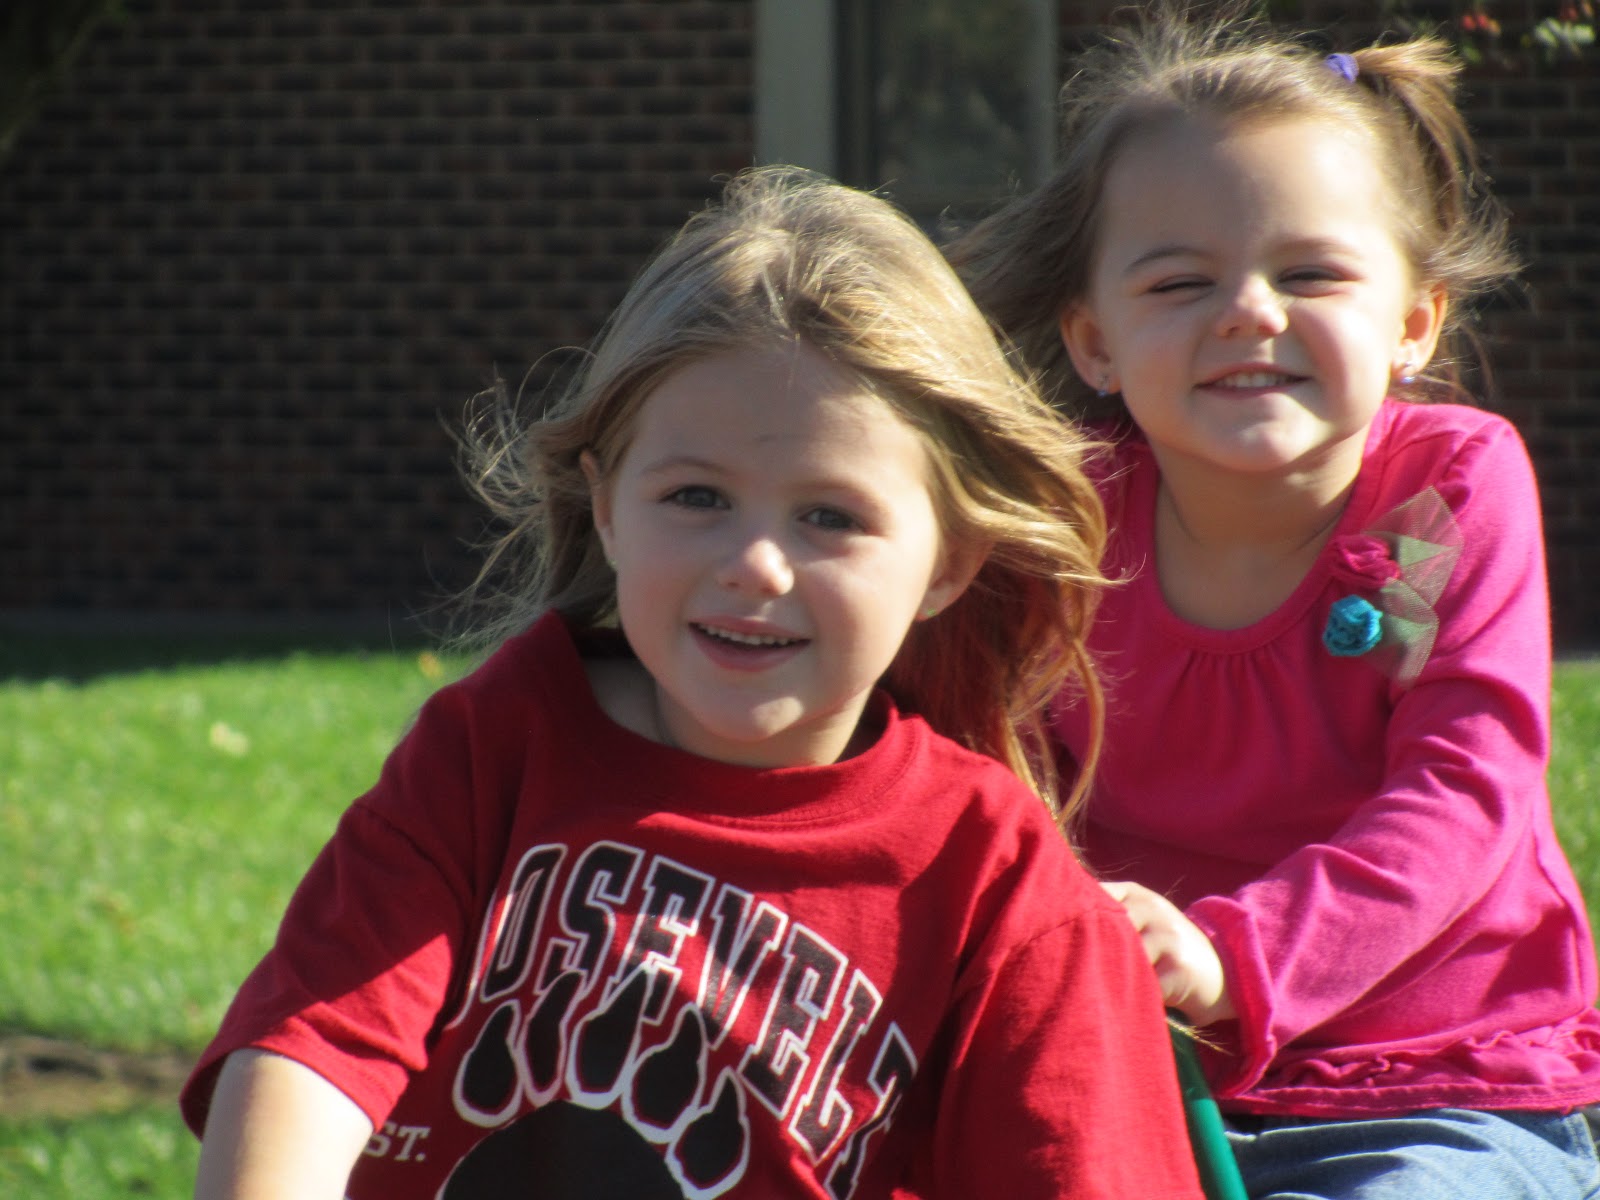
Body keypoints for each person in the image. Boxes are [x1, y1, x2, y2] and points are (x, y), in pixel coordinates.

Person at [181, 166, 1205, 1200]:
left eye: (831, 518)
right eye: (696, 497)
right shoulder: (492, 753)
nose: (754, 565)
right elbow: (311, 1053)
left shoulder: (998, 885)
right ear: (607, 507)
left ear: (949, 562)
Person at [950, 7, 1600, 1198]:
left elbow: (1460, 790)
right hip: (1144, 1066)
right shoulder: (1064, 529)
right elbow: (1000, 780)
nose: (1248, 310)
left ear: (1412, 324)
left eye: (1308, 274)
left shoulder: (1435, 498)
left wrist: (1231, 954)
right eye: (1180, 281)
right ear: (1094, 342)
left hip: (1436, 1082)